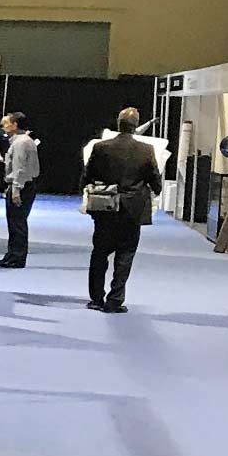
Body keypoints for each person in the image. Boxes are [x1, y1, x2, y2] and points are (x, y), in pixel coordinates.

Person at [81, 107, 163, 313]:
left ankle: (96, 298)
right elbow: (155, 180)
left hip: (105, 206)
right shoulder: (146, 150)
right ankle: (115, 299)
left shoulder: (101, 147)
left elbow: (88, 175)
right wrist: (155, 190)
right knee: (125, 254)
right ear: (136, 126)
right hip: (133, 209)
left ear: (118, 124)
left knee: (99, 252)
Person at [0, 112, 40, 267]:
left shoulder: (21, 143)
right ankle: (12, 254)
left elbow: (19, 168)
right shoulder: (22, 141)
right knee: (15, 222)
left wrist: (16, 190)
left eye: (8, 123)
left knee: (17, 222)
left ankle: (17, 257)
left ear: (15, 125)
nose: (4, 126)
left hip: (22, 186)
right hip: (23, 185)